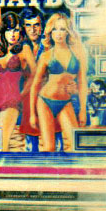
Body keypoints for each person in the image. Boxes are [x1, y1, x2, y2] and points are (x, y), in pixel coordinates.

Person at [30, 13, 87, 152]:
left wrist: (83, 110)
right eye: (55, 29)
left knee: (76, 144)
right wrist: (32, 113)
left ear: (68, 32)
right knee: (49, 148)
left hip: (65, 102)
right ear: (50, 32)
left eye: (62, 29)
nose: (58, 33)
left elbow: (82, 83)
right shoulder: (46, 56)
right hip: (45, 101)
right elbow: (35, 85)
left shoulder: (78, 53)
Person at [0, 12, 36, 151]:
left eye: (16, 30)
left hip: (11, 100)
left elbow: (35, 74)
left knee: (3, 145)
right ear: (3, 31)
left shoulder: (24, 49)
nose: (12, 34)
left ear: (20, 32)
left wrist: (23, 93)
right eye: (9, 30)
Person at [17, 8, 64, 153]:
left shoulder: (52, 45)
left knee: (56, 137)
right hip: (28, 98)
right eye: (28, 25)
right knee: (31, 139)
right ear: (23, 28)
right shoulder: (20, 48)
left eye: (36, 25)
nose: (32, 30)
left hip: (50, 96)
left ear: (42, 26)